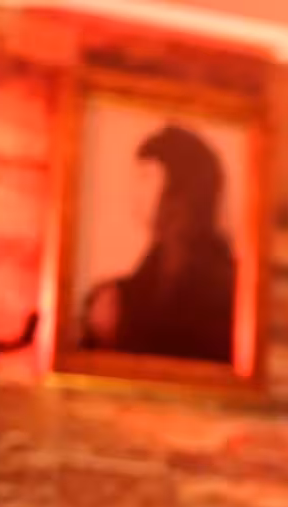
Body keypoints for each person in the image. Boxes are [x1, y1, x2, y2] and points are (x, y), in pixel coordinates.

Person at [80, 124, 237, 363]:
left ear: (180, 187)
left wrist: (119, 323)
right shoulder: (154, 267)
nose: (134, 192)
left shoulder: (217, 280)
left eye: (146, 177)